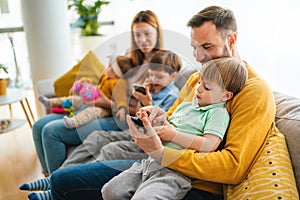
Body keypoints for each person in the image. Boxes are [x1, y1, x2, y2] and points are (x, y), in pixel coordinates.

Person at [43, 5, 275, 200]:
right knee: (68, 173)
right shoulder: (197, 77)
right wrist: (154, 116)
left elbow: (232, 166)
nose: (198, 57)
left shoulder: (254, 91)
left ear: (231, 40)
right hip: (153, 159)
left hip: (190, 180)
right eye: (195, 48)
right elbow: (172, 119)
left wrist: (163, 153)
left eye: (207, 47)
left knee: (63, 182)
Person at [20, 49, 183, 200]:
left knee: (109, 149)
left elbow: (159, 128)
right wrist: (140, 103)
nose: (153, 80)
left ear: (173, 76)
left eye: (159, 77)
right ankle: (60, 173)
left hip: (145, 138)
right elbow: (137, 114)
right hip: (134, 129)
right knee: (96, 136)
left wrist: (145, 104)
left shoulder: (172, 96)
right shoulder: (151, 88)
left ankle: (61, 184)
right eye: (151, 75)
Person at [32, 10, 164, 175]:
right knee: (39, 126)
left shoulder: (160, 67)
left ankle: (58, 186)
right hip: (99, 106)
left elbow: (141, 112)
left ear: (157, 33)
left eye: (147, 34)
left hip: (119, 118)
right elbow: (108, 81)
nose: (142, 40)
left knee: (51, 131)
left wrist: (103, 102)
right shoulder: (129, 59)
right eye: (137, 35)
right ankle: (48, 178)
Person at [101, 57, 248, 200]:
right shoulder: (187, 105)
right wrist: (153, 119)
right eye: (199, 82)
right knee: (110, 191)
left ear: (225, 95)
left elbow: (209, 145)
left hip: (175, 172)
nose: (198, 89)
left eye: (207, 87)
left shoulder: (218, 114)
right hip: (150, 162)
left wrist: (173, 135)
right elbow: (169, 127)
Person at [38, 56, 133, 129]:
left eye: (111, 69)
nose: (107, 69)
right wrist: (85, 81)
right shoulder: (106, 77)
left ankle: (73, 122)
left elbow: (121, 98)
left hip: (103, 108)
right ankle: (50, 102)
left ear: (117, 74)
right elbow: (93, 82)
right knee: (73, 99)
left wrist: (121, 108)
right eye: (109, 66)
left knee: (90, 113)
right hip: (92, 100)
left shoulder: (119, 83)